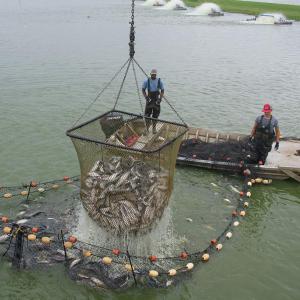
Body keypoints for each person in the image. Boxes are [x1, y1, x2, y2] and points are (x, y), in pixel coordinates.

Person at [142, 69, 164, 134]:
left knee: (155, 115)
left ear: (156, 74)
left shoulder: (159, 81)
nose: (153, 75)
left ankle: (154, 128)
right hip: (149, 100)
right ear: (150, 74)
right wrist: (146, 97)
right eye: (152, 74)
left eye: (154, 74)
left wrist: (160, 99)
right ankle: (146, 129)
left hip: (156, 101)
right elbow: (143, 90)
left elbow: (162, 90)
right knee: (147, 115)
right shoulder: (146, 81)